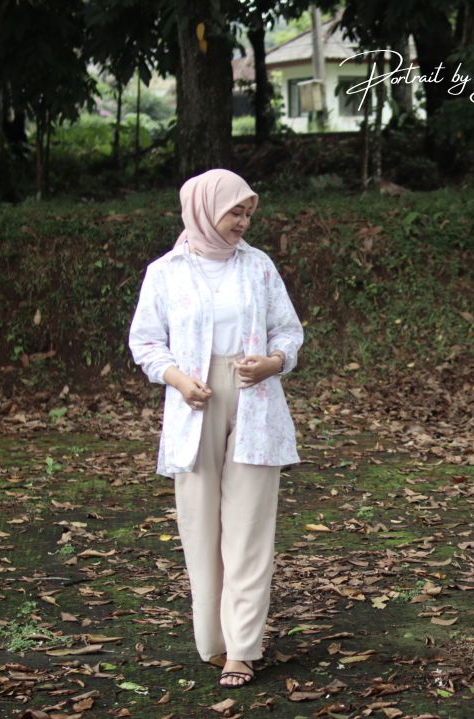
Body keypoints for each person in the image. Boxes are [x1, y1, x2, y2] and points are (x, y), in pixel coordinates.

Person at [128, 169, 304, 688]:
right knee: (200, 527)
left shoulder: (259, 265)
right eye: (235, 213)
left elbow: (288, 330)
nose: (243, 222)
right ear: (205, 210)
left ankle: (242, 649)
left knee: (249, 529)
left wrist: (273, 363)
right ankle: (214, 641)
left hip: (255, 401)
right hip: (194, 402)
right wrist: (178, 380)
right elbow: (145, 341)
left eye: (248, 213)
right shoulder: (166, 271)